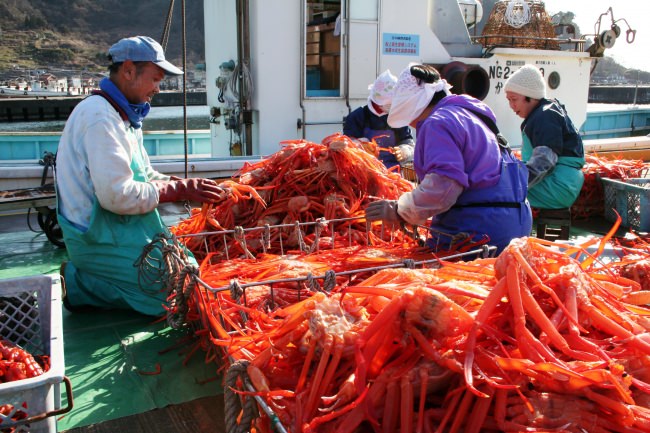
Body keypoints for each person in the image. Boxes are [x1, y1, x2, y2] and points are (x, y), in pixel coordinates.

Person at [56, 36, 227, 316]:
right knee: (170, 292)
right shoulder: (100, 117)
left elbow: (145, 175)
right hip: (97, 235)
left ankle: (102, 279)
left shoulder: (125, 116)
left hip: (121, 224)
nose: (158, 89)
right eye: (155, 79)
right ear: (128, 71)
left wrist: (188, 188)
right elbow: (118, 197)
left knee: (190, 268)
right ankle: (79, 283)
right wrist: (181, 189)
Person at [365, 64, 532, 254]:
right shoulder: (471, 113)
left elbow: (444, 187)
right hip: (517, 225)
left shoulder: (437, 123)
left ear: (415, 106)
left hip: (478, 232)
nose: (411, 125)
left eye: (409, 118)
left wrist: (399, 210)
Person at [504, 64, 586, 209]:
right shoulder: (545, 112)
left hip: (558, 185)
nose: (511, 105)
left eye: (514, 99)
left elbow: (545, 161)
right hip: (562, 182)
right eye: (509, 100)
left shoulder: (545, 116)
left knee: (499, 189)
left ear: (530, 97)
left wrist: (516, 182)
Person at [343, 70, 415, 170]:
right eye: (389, 104)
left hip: (392, 173)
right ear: (378, 101)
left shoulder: (398, 116)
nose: (393, 107)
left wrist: (405, 150)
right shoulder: (357, 116)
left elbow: (407, 141)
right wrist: (359, 145)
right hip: (364, 170)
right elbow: (345, 143)